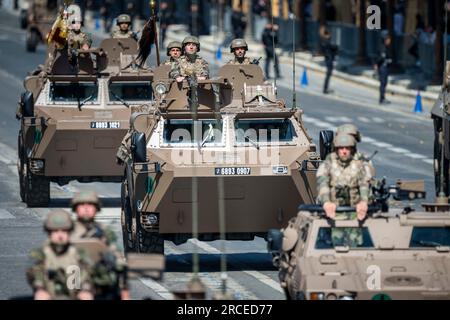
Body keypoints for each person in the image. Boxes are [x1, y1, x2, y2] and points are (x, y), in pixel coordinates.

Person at [70, 190, 129, 300]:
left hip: (100, 282)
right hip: (73, 280)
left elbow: (117, 259)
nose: (86, 208)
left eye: (90, 205)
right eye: (82, 205)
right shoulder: (66, 231)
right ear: (75, 208)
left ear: (96, 208)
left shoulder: (103, 231)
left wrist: (123, 288)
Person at [26, 210, 94, 300]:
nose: (60, 235)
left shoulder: (78, 253)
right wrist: (40, 289)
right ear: (49, 233)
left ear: (69, 232)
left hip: (74, 295)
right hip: (49, 294)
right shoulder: (41, 254)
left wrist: (85, 289)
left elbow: (87, 273)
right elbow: (35, 273)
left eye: (64, 231)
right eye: (56, 231)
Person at [317, 134, 369, 221]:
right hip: (332, 208)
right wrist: (326, 202)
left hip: (355, 208)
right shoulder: (328, 164)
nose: (344, 151)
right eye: (341, 148)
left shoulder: (359, 164)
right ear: (336, 150)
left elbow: (364, 184)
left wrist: (363, 202)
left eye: (347, 148)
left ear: (352, 150)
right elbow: (323, 183)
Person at [374, 35, 393, 105]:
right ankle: (381, 98)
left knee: (384, 83)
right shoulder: (382, 48)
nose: (389, 41)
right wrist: (376, 64)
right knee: (383, 83)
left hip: (386, 67)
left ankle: (383, 98)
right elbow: (380, 58)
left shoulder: (387, 48)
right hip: (382, 67)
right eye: (388, 40)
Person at [319, 26, 338, 94]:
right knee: (328, 75)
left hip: (328, 58)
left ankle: (325, 88)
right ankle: (325, 89)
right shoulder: (327, 41)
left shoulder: (324, 41)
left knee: (328, 75)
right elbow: (332, 48)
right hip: (329, 59)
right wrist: (336, 48)